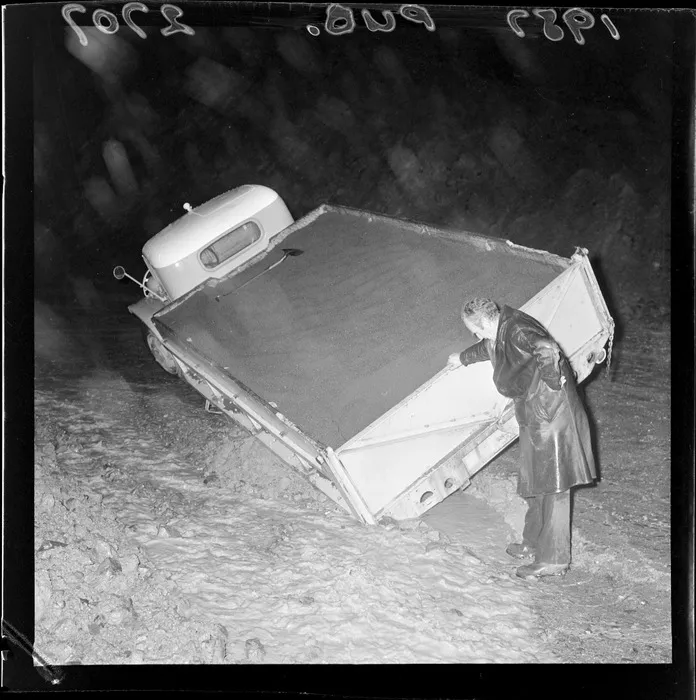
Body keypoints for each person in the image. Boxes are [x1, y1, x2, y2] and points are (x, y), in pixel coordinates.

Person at [447, 298, 597, 579]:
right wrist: (463, 358)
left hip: (552, 413)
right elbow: (489, 345)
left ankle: (553, 559)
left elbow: (547, 347)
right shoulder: (501, 329)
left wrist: (554, 382)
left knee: (554, 484)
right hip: (534, 411)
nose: (475, 335)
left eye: (474, 329)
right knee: (535, 480)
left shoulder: (516, 329)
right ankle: (533, 543)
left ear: (486, 322)